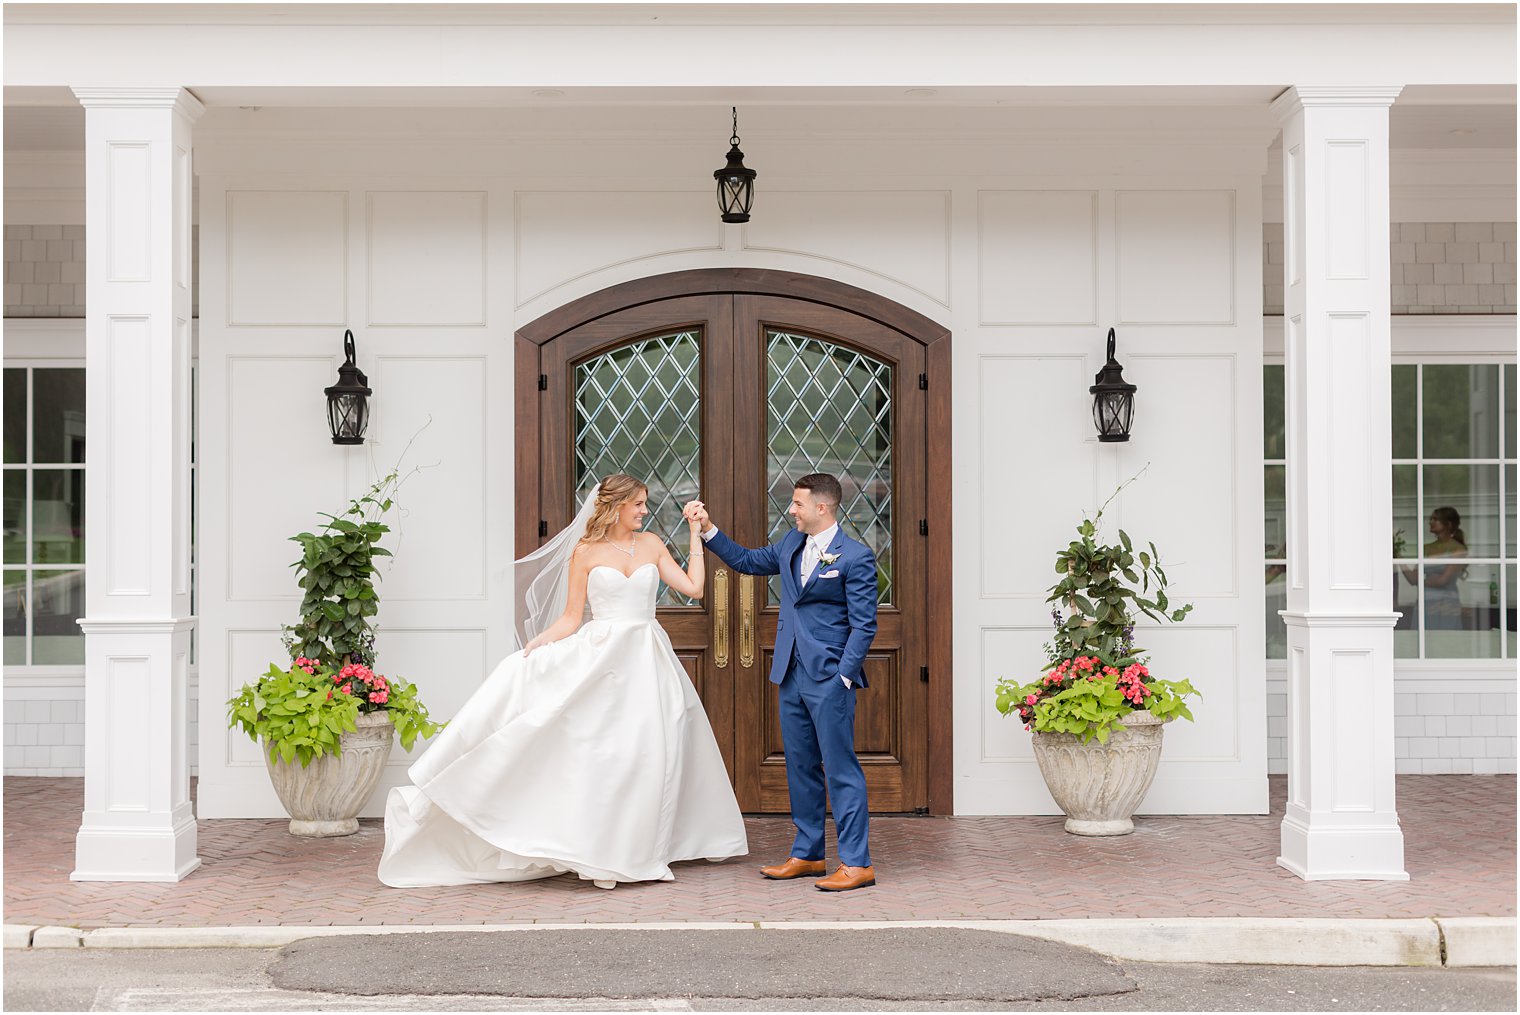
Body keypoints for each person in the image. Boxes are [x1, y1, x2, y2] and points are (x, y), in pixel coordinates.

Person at [378, 474, 748, 890]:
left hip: (647, 659)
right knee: (605, 754)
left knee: (651, 752)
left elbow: (695, 589)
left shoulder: (652, 546)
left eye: (645, 504)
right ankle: (601, 849)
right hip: (602, 659)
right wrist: (535, 646)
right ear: (616, 506)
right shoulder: (585, 553)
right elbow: (572, 618)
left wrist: (696, 535)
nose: (645, 511)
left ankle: (642, 849)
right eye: (639, 504)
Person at [684, 473, 879, 892]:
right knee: (800, 766)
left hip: (830, 678)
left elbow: (865, 626)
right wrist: (708, 529)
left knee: (840, 768)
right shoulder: (792, 544)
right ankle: (808, 854)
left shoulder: (856, 557)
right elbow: (748, 562)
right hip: (790, 672)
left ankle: (857, 862)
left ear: (821, 508)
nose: (791, 510)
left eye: (797, 504)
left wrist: (844, 675)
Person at [1399, 506, 1469, 631]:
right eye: (1431, 519)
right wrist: (1398, 557)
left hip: (1446, 603)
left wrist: (1421, 582)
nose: (1430, 522)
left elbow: (1443, 580)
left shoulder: (1458, 549)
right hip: (1425, 601)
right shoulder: (1427, 548)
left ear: (1448, 523)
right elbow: (1412, 579)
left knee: (1444, 640)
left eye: (1435, 519)